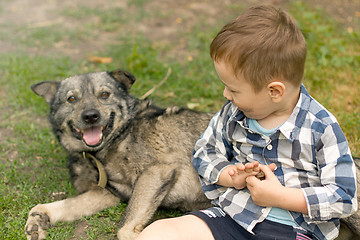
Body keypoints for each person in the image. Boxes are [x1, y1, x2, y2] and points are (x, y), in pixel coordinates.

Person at [136, 5, 357, 240]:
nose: (225, 94)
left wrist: (279, 197)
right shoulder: (233, 113)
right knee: (159, 233)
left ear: (274, 91)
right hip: (234, 216)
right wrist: (229, 174)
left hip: (295, 231)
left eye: (233, 89)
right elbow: (204, 150)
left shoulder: (321, 128)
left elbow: (344, 198)